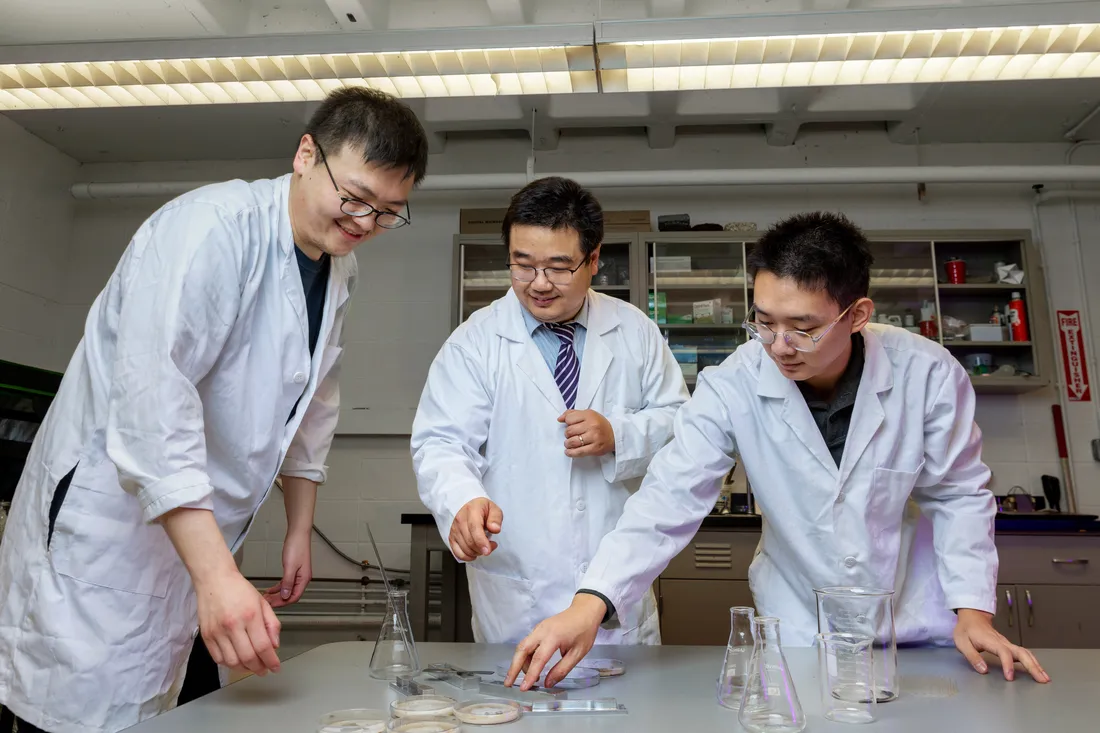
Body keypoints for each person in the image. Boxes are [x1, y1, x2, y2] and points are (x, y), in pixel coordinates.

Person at [0, 86, 429, 733]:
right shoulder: (209, 232)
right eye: (355, 197)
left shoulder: (338, 269)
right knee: (78, 710)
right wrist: (216, 576)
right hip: (110, 533)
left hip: (190, 538)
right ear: (306, 154)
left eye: (389, 212)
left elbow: (315, 402)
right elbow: (152, 409)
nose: (366, 223)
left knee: (178, 709)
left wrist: (297, 523)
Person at [509, 211, 1049, 688]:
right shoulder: (732, 384)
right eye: (763, 322)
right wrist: (591, 603)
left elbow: (957, 496)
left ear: (857, 315)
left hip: (913, 617)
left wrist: (973, 612)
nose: (779, 347)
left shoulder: (927, 374)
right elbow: (667, 500)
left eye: (803, 328)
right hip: (798, 626)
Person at [411, 176, 689, 680]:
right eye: (522, 264)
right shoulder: (474, 343)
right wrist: (461, 502)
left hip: (614, 597)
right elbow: (441, 443)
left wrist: (619, 435)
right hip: (519, 597)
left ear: (594, 259)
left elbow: (684, 429)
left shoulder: (634, 332)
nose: (539, 282)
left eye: (559, 267)